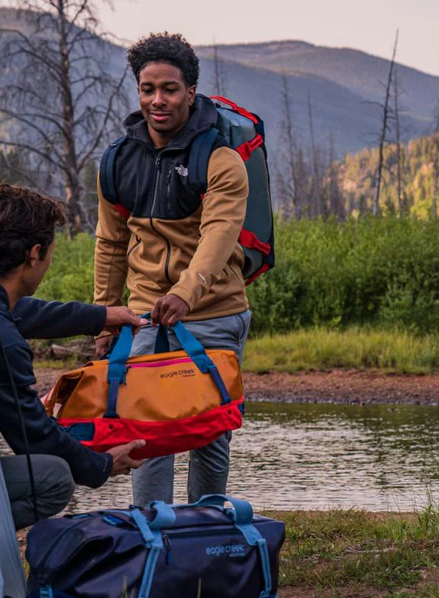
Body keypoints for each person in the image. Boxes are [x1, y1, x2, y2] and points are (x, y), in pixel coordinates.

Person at [93, 32, 251, 507]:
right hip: (145, 314)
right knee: (146, 430)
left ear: (191, 92)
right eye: (148, 89)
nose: (157, 100)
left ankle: (208, 528)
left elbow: (219, 236)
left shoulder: (221, 160)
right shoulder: (117, 161)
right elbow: (111, 242)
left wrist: (185, 292)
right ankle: (151, 531)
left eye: (169, 89)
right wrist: (104, 316)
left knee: (210, 431)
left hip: (215, 311)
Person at [0, 184, 148, 529]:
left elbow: (20, 312)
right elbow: (34, 436)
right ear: (35, 253)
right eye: (51, 251)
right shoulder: (0, 341)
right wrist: (101, 465)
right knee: (54, 478)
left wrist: (101, 316)